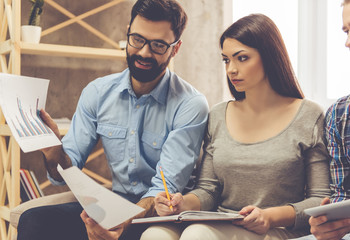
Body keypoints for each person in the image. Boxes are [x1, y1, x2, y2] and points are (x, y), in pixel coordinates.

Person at [16, 0, 209, 239]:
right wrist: (53, 150)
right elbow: (65, 171)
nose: (144, 52)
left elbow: (164, 190)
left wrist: (121, 222)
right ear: (127, 32)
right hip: (114, 204)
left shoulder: (190, 105)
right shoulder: (97, 92)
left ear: (175, 48)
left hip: (160, 215)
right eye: (137, 39)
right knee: (35, 221)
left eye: (158, 45)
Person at [140, 13, 331, 240]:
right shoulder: (219, 114)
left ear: (269, 57)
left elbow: (319, 199)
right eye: (226, 60)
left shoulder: (309, 115)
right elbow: (208, 191)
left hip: (275, 229)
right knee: (155, 234)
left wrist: (269, 216)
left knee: (197, 234)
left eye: (242, 58)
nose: (231, 69)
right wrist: (180, 204)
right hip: (221, 222)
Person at [298, 1, 350, 239]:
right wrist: (331, 226)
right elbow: (342, 195)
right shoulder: (339, 114)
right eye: (347, 31)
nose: (347, 42)